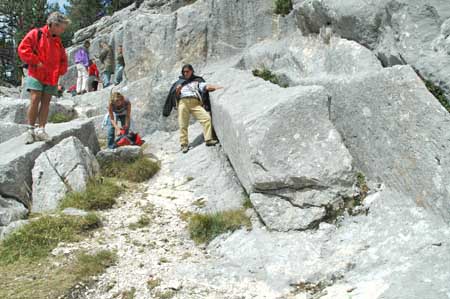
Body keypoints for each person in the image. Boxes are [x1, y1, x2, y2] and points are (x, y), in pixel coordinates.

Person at [17, 12, 70, 144]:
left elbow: (63, 58)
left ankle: (41, 130)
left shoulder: (58, 41)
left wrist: (61, 70)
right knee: (35, 99)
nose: (63, 31)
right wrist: (36, 61)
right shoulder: (36, 33)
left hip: (52, 76)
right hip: (36, 73)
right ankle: (30, 130)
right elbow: (23, 48)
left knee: (46, 102)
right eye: (62, 28)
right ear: (54, 24)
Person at [164, 64, 222, 153]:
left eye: (187, 71)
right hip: (183, 102)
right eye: (184, 72)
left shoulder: (197, 81)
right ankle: (184, 145)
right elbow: (174, 96)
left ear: (192, 71)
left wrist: (216, 87)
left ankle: (208, 139)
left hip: (195, 102)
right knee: (183, 124)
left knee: (206, 118)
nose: (185, 73)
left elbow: (206, 87)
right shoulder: (179, 83)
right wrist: (178, 90)